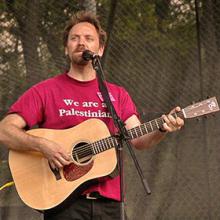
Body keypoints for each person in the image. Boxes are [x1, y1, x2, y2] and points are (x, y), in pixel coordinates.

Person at [0, 11, 184, 220]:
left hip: (110, 204)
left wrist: (162, 128)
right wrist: (43, 146)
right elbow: (5, 131)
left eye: (89, 38)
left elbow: (138, 140)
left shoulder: (117, 95)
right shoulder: (45, 91)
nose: (81, 43)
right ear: (66, 48)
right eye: (74, 38)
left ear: (100, 49)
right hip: (64, 201)